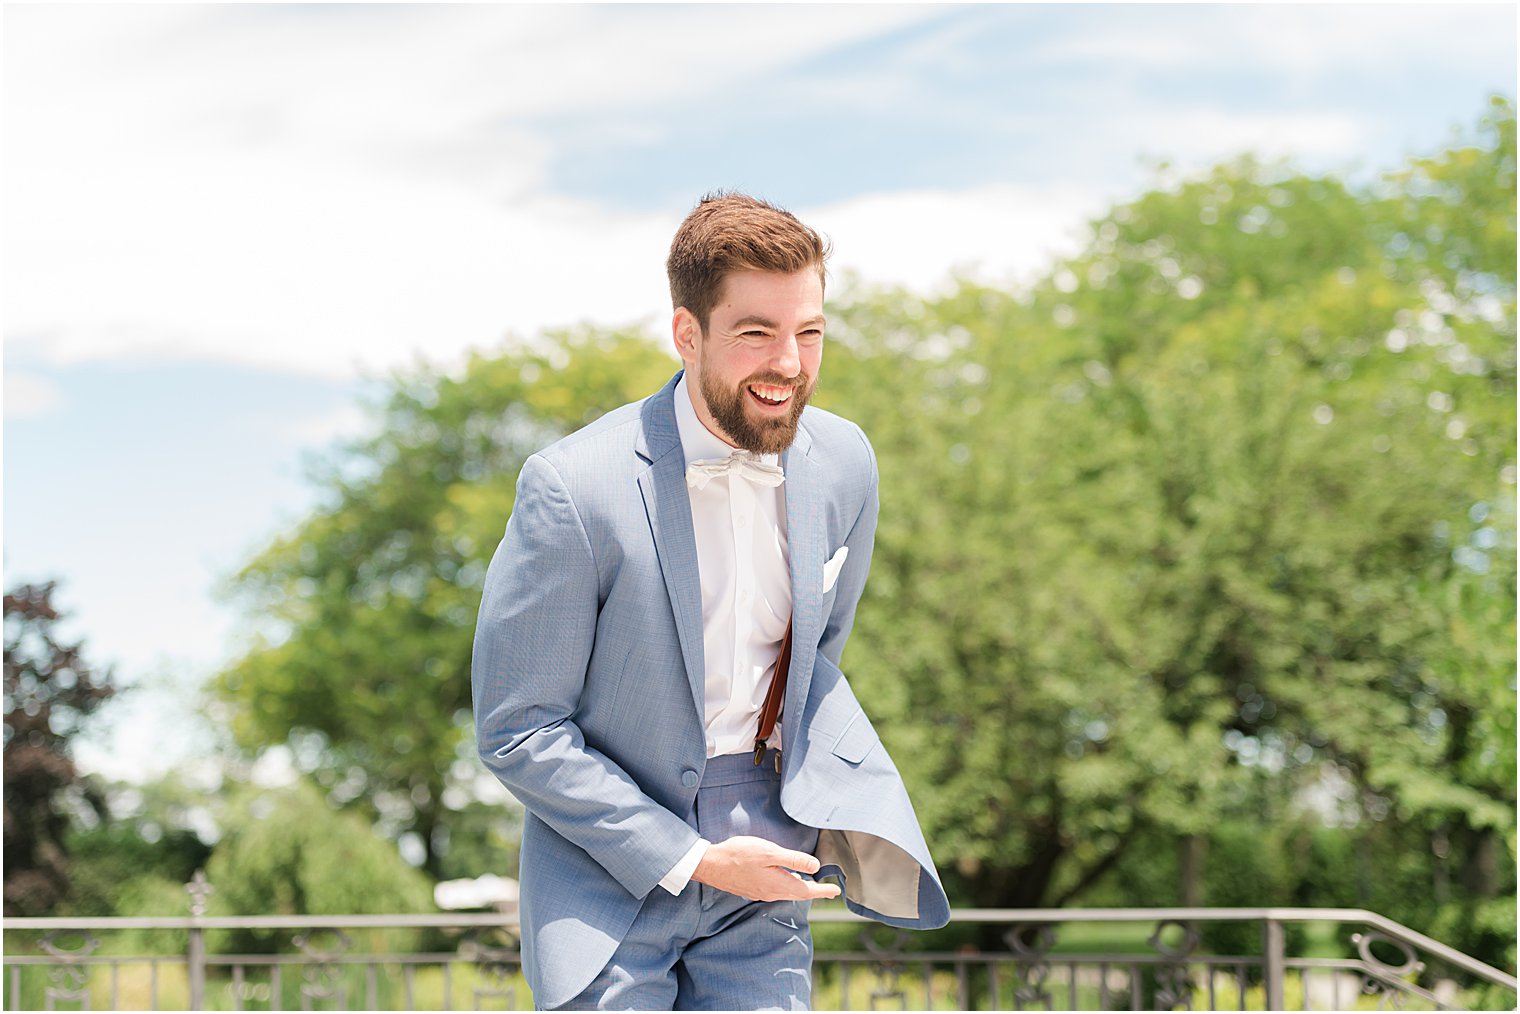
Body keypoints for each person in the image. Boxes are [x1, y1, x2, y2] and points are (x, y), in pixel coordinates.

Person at [472, 192, 948, 1011]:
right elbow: (518, 730)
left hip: (771, 858)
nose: (790, 364)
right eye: (756, 333)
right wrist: (689, 855)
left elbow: (818, 657)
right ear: (687, 334)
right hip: (606, 875)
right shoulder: (572, 489)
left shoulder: (845, 464)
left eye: (810, 332)